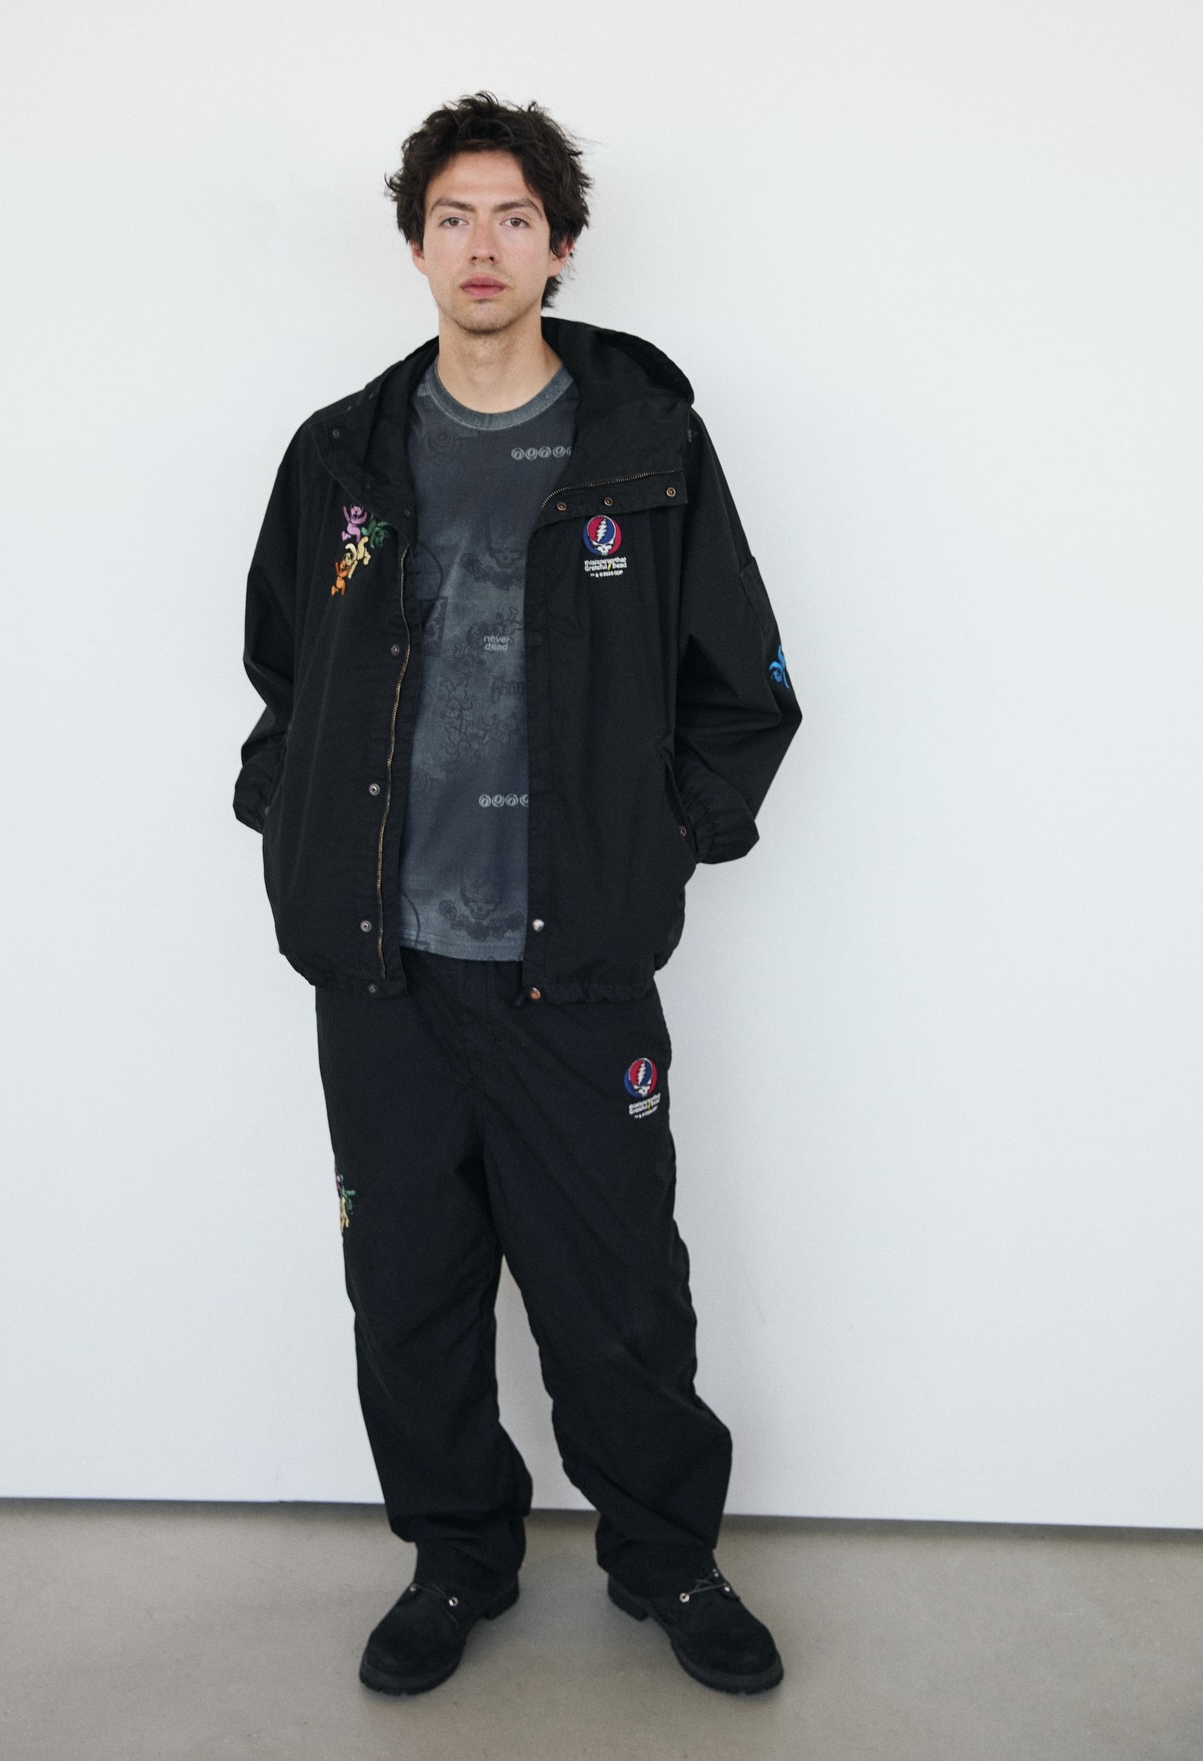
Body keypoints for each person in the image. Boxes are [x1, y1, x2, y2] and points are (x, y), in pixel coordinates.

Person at [234, 93, 801, 1696]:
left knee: (617, 1292)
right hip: (383, 968)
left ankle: (669, 1560)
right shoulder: (340, 456)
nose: (481, 246)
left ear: (560, 247)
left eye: (513, 218)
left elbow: (743, 690)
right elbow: (287, 672)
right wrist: (291, 819)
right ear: (415, 245)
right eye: (452, 217)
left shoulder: (647, 451)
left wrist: (652, 846)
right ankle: (455, 1561)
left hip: (575, 967)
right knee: (407, 1292)